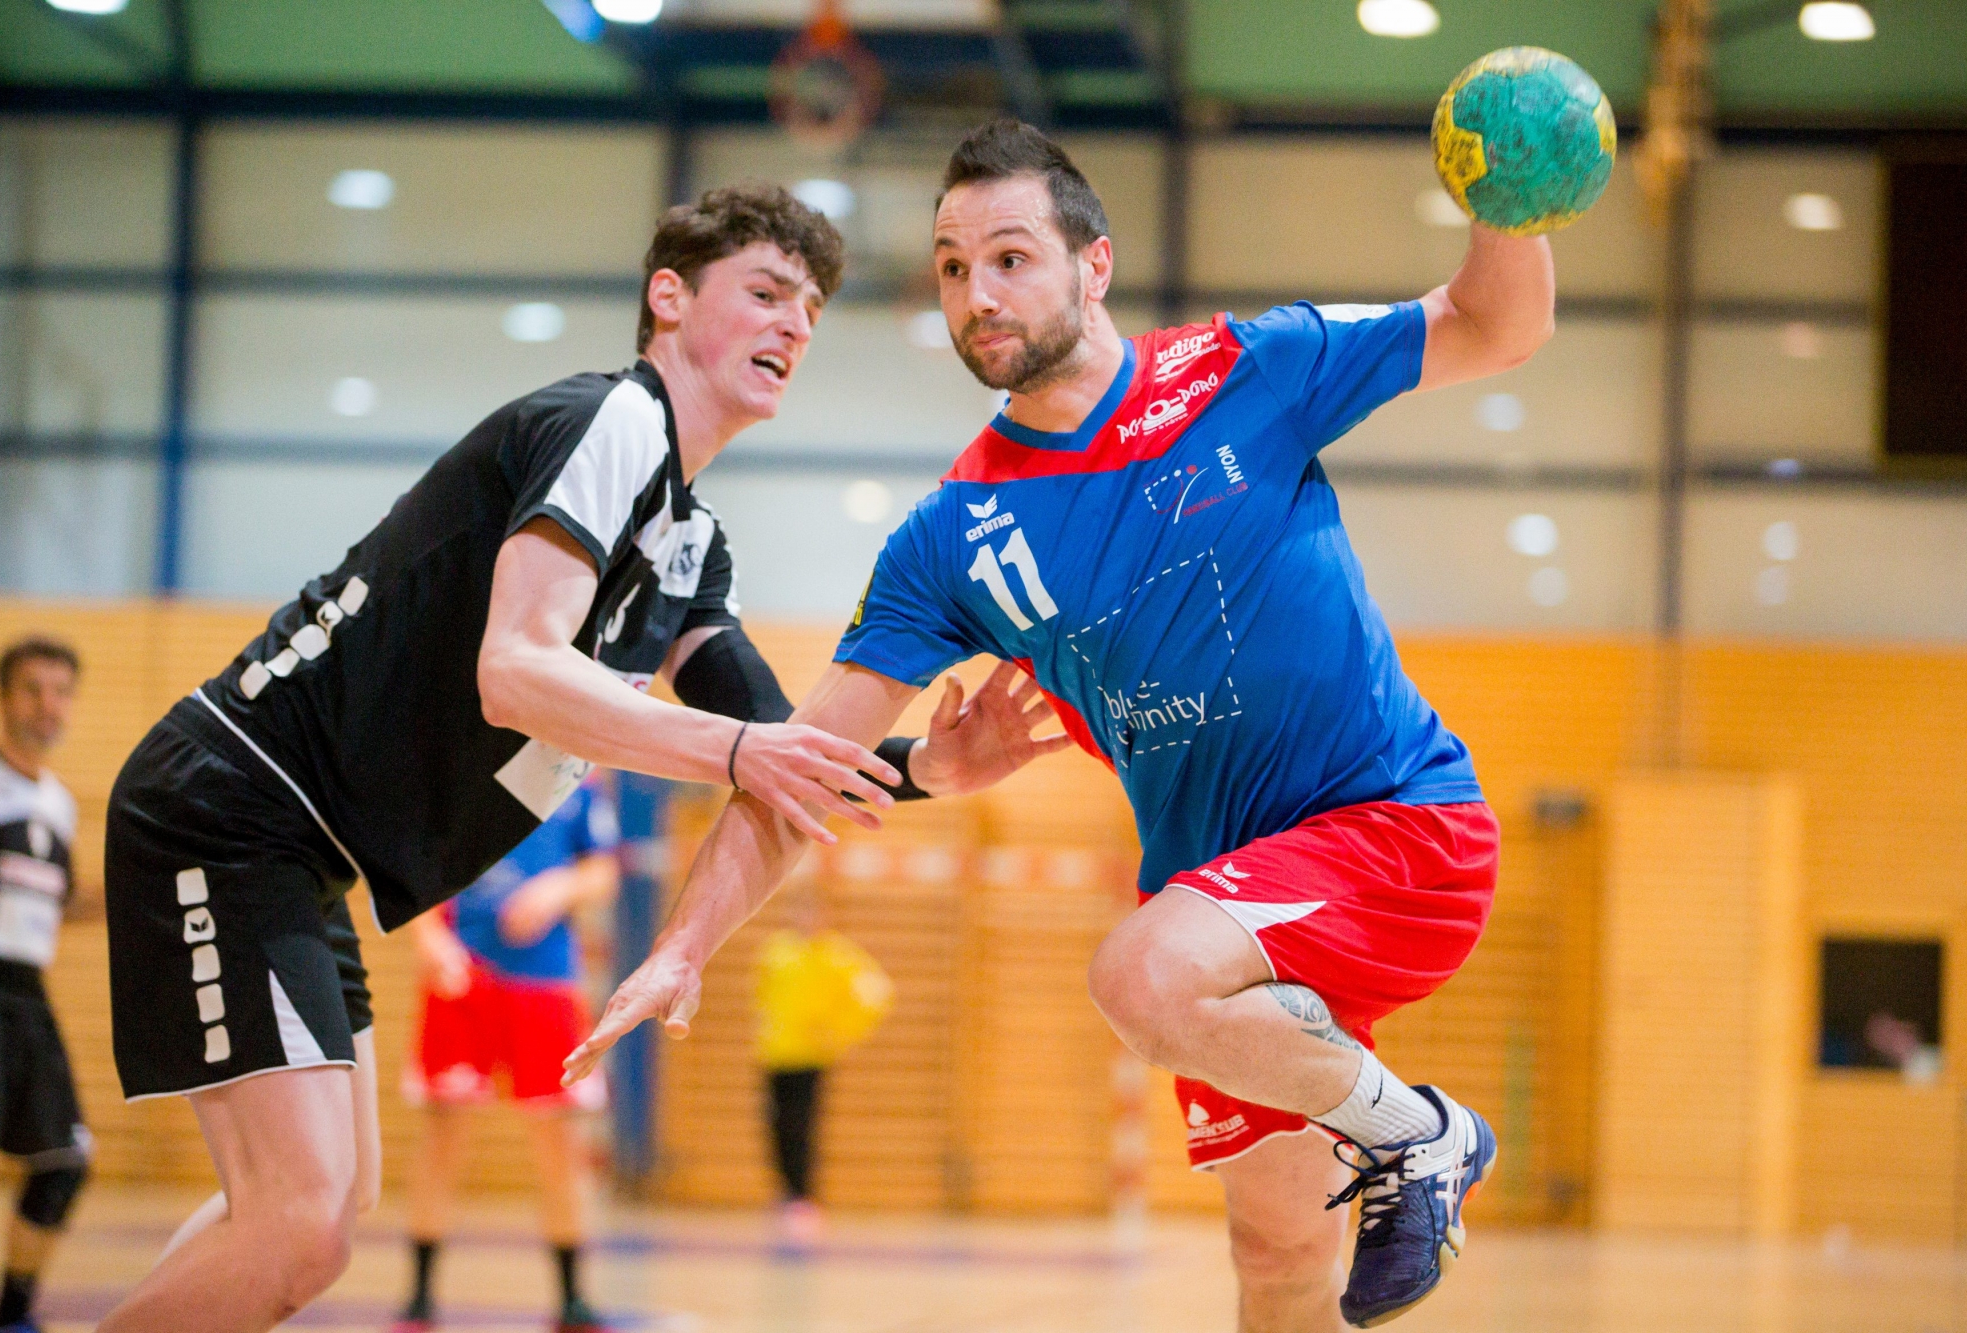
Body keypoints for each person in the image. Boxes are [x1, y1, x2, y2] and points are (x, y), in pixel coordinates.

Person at [568, 120, 1561, 1330]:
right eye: (948, 268)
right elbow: (802, 769)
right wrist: (684, 945)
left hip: (1392, 828)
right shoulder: (949, 537)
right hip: (1229, 929)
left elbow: (1490, 325)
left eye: (1008, 257)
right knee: (1275, 1257)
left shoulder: (1247, 369)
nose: (975, 294)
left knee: (1135, 971)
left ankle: (1424, 1134)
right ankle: (1399, 1131)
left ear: (1093, 265)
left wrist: (1513, 199)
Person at [98, 183, 1063, 1333]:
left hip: (306, 857)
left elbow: (777, 742)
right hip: (231, 805)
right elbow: (515, 668)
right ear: (668, 298)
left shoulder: (691, 540)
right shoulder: (613, 422)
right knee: (296, 1218)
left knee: (320, 1212)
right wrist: (744, 750)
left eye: (808, 307)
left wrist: (919, 769)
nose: (795, 324)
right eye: (764, 292)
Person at [396, 772, 622, 1333]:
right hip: (461, 976)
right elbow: (411, 870)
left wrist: (557, 890)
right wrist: (428, 937)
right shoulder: (454, 774)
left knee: (558, 1141)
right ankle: (420, 1296)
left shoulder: (579, 784)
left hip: (544, 983)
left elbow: (604, 872)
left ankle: (572, 1297)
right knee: (442, 1134)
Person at [0, 639, 91, 1333]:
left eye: (61, 690)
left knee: (65, 1158)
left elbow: (57, 899)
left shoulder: (57, 802)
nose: (48, 704)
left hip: (29, 996)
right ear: (5, 696)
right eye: (34, 689)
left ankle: (13, 1316)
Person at [754, 885, 892, 1241]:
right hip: (773, 1054)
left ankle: (803, 1198)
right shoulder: (776, 950)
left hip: (810, 1057)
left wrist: (839, 1032)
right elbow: (765, 997)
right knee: (776, 1128)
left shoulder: (836, 955)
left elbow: (876, 992)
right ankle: (785, 1194)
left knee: (803, 1128)